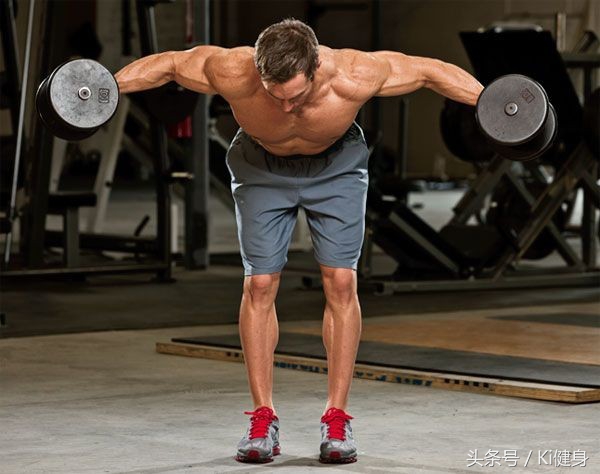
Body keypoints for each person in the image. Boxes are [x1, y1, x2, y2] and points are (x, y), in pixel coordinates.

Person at [115, 18, 483, 464]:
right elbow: (172, 64)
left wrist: (492, 102)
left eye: (297, 95)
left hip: (337, 167)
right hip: (260, 166)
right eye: (275, 96)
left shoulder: (353, 72)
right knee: (259, 285)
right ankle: (262, 415)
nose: (287, 108)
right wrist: (106, 87)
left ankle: (337, 417)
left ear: (316, 68)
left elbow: (428, 71)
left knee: (341, 282)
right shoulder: (234, 69)